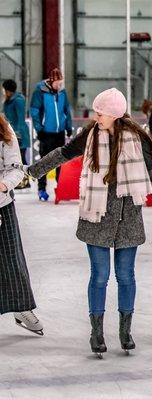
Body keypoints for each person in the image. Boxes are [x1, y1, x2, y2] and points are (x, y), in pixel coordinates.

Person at [24, 88, 152, 358]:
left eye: (100, 113)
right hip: (96, 216)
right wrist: (31, 171)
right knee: (99, 276)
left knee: (125, 276)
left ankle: (125, 330)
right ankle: (96, 332)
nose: (96, 117)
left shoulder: (137, 138)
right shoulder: (89, 135)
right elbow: (63, 154)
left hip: (128, 217)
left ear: (114, 114)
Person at [0, 114, 43, 335]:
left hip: (2, 205)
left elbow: (16, 167)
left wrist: (4, 185)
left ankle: (22, 307)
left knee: (12, 259)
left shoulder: (3, 129)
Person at [29, 68, 73, 201]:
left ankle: (60, 188)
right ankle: (41, 189)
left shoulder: (62, 92)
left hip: (59, 133)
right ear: (51, 81)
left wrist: (68, 127)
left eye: (61, 83)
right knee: (45, 162)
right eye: (57, 83)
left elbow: (67, 110)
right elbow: (34, 110)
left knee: (60, 161)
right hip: (46, 133)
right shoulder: (40, 91)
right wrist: (39, 129)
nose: (59, 86)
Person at [2, 79, 30, 189]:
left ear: (8, 90)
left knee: (21, 158)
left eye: (4, 89)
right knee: (14, 159)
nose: (3, 92)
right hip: (11, 133)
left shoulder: (18, 101)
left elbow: (20, 120)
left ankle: (25, 181)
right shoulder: (8, 101)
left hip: (19, 134)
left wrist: (18, 135)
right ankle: (20, 181)